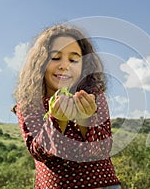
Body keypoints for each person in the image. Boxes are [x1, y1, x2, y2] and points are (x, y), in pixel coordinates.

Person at [12, 24, 121, 189]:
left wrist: (85, 118)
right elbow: (39, 151)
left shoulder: (93, 97)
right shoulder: (29, 104)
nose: (64, 65)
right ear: (40, 63)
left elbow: (103, 148)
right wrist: (57, 121)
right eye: (55, 57)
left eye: (74, 59)